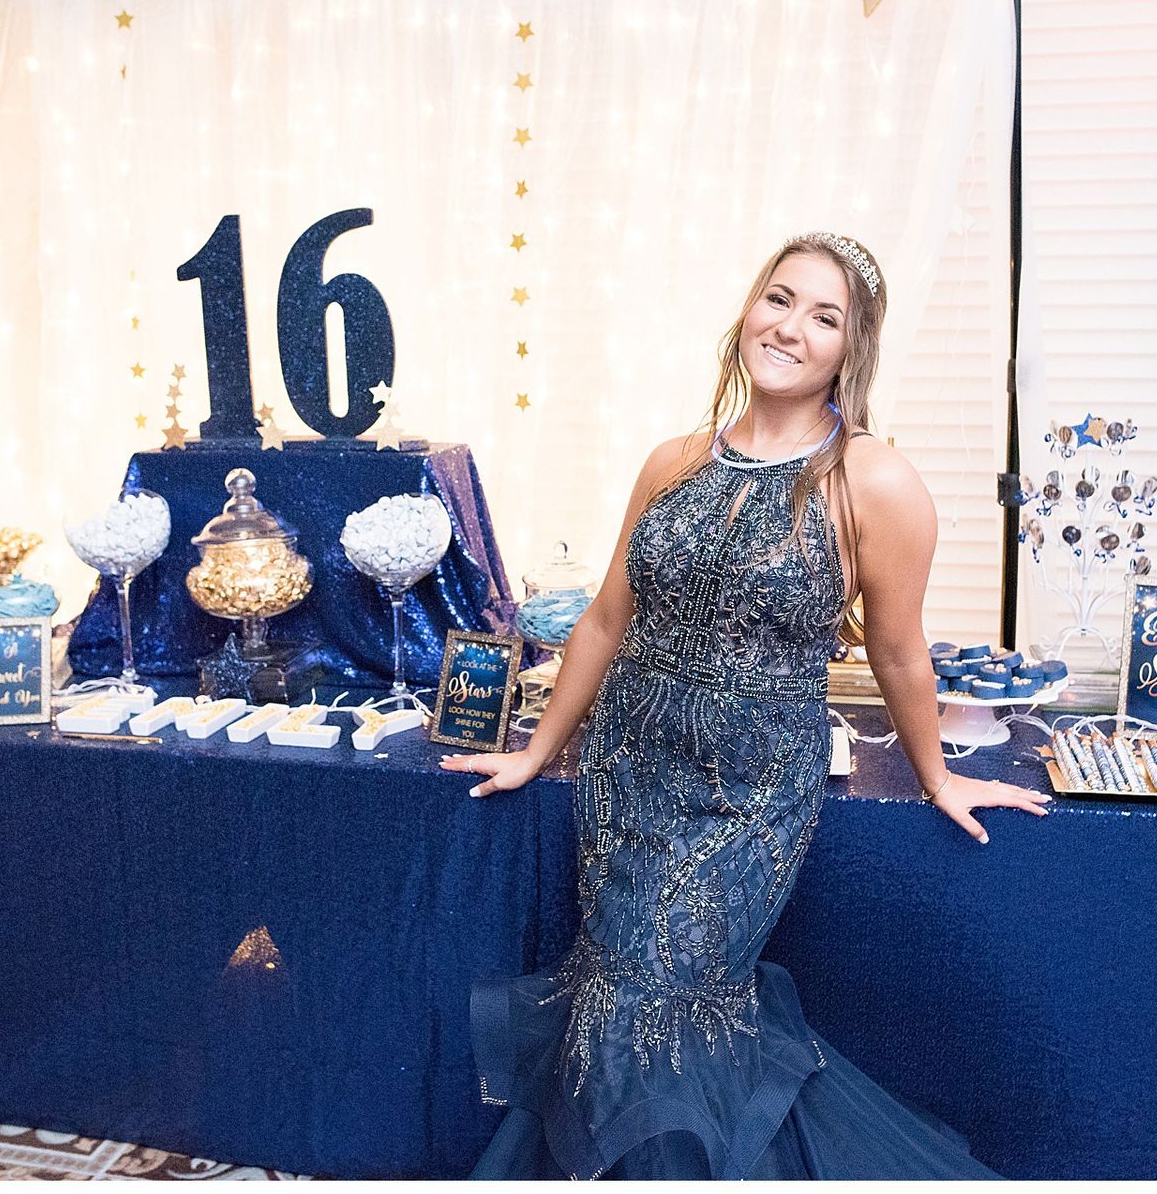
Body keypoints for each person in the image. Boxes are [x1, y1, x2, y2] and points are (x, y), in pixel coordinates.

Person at [439, 232, 1049, 1179]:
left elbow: (897, 648)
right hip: (628, 769)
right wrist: (536, 754)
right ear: (747, 311)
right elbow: (605, 619)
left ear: (852, 350)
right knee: (613, 992)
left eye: (825, 316)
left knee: (655, 997)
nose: (792, 327)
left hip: (747, 796)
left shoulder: (874, 480)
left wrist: (939, 776)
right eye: (780, 298)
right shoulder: (672, 460)